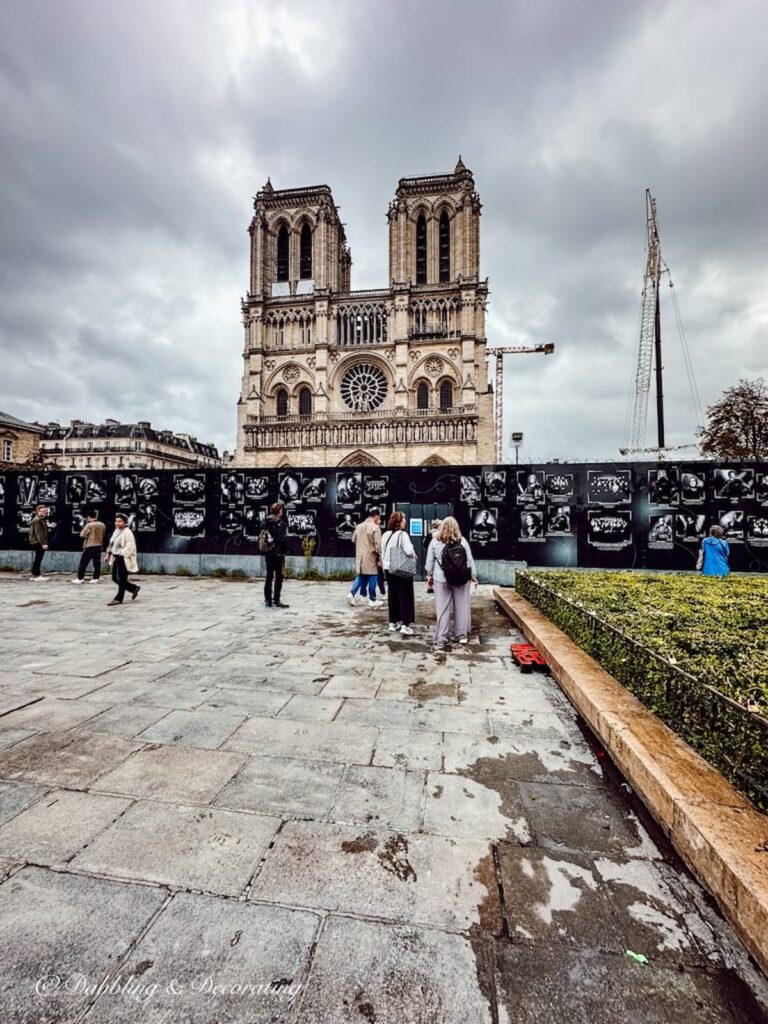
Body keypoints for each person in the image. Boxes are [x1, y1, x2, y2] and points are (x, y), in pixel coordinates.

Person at [426, 516, 477, 650]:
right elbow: (469, 561)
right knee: (461, 607)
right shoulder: (462, 541)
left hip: (441, 579)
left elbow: (428, 563)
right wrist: (473, 576)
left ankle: (442, 638)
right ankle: (461, 636)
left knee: (442, 609)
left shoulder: (435, 542)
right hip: (460, 579)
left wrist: (428, 575)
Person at [381, 510, 418, 635]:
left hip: (388, 567)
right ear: (398, 522)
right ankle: (405, 625)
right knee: (404, 596)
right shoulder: (403, 535)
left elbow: (383, 551)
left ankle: (392, 622)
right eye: (404, 519)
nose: (405, 521)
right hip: (400, 568)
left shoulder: (385, 535)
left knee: (393, 595)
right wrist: (414, 553)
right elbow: (408, 551)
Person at [347, 508, 383, 608]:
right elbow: (378, 545)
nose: (379, 519)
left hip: (360, 556)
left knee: (361, 576)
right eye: (379, 517)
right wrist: (379, 556)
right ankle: (372, 599)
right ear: (376, 516)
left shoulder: (359, 526)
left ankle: (351, 594)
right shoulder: (375, 528)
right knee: (373, 576)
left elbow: (353, 539)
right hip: (371, 556)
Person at [105, 513, 140, 606]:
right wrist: (108, 554)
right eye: (116, 521)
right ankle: (133, 588)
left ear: (125, 522)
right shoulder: (116, 531)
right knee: (114, 578)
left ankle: (118, 598)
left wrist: (122, 553)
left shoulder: (128, 532)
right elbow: (111, 544)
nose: (117, 523)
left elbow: (131, 546)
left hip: (123, 558)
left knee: (122, 578)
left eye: (120, 521)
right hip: (116, 557)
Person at [262, 502, 289, 609]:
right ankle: (276, 600)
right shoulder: (280, 523)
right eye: (281, 510)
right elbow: (282, 539)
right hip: (278, 554)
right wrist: (286, 548)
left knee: (269, 576)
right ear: (278, 512)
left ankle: (268, 600)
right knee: (278, 577)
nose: (282, 511)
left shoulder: (265, 521)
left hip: (268, 553)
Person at [71, 510, 106, 584]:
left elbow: (82, 535)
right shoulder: (102, 524)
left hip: (90, 545)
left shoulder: (89, 525)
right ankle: (95, 578)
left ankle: (80, 578)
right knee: (97, 563)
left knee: (83, 563)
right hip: (99, 546)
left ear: (88, 517)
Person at [28, 503, 49, 580]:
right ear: (38, 511)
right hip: (38, 542)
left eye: (46, 511)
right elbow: (39, 533)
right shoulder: (38, 520)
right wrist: (43, 544)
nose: (45, 512)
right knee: (38, 559)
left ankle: (34, 575)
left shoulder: (38, 519)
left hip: (36, 542)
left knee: (37, 559)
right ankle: (36, 575)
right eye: (43, 511)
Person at [426, 519, 441, 595]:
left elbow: (425, 543)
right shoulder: (439, 534)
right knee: (435, 571)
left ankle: (429, 587)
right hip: (437, 556)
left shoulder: (430, 533)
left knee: (429, 571)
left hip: (429, 554)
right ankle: (434, 586)